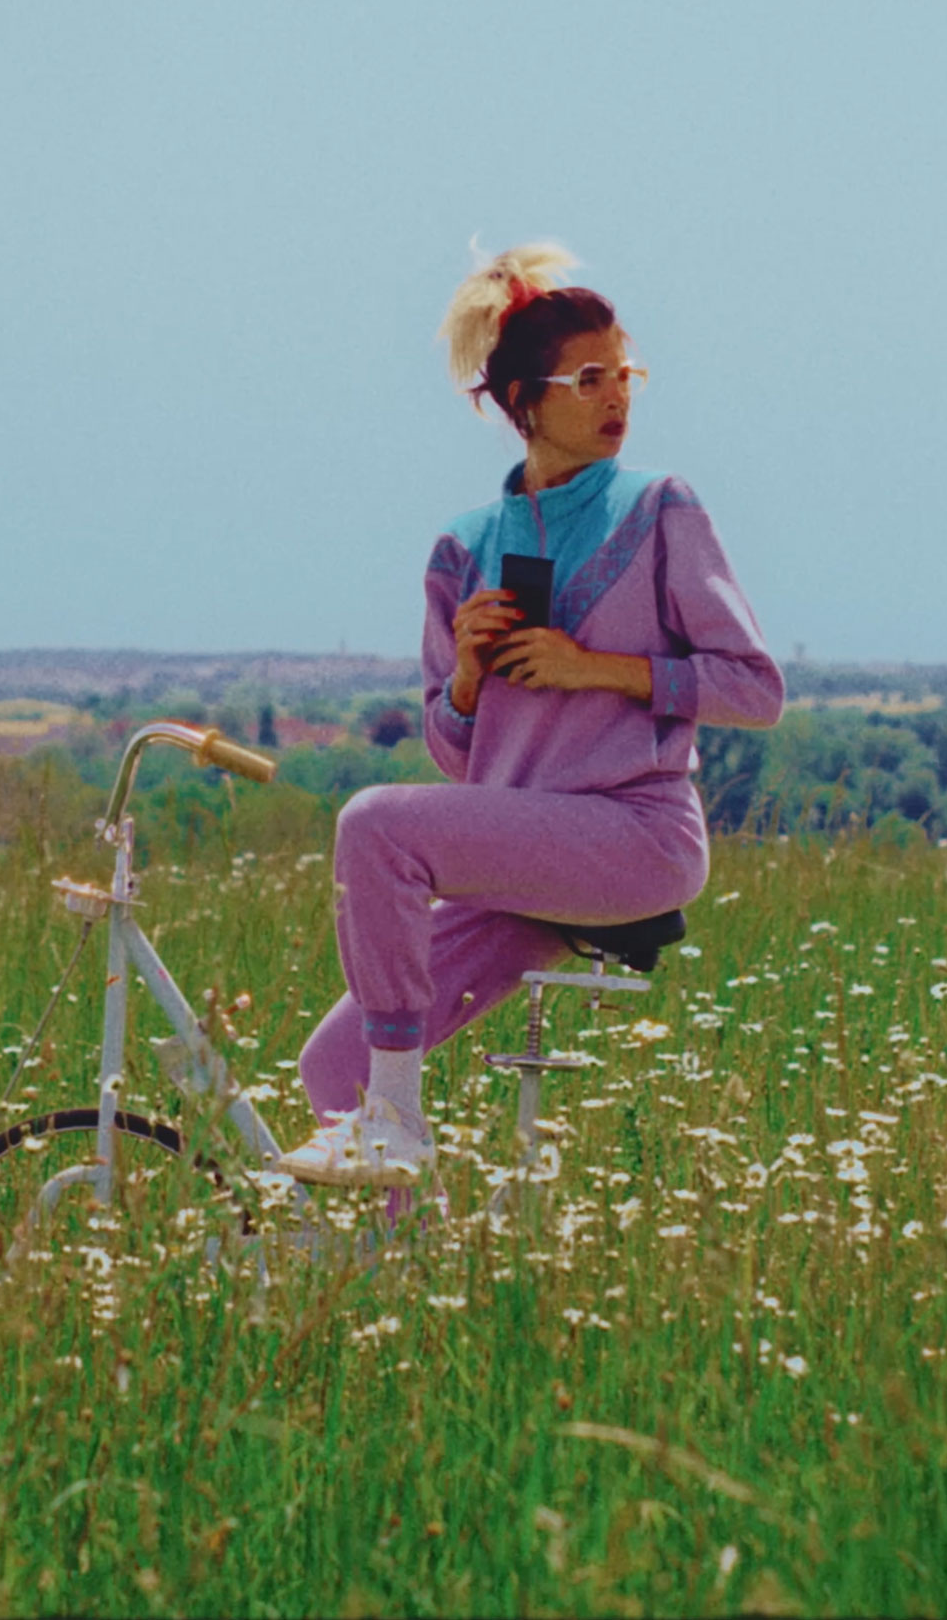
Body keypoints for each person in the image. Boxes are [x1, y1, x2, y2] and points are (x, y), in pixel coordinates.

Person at [274, 244, 786, 1187]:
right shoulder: (461, 549)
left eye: (623, 373)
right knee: (332, 1063)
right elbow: (456, 758)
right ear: (523, 402)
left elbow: (754, 688)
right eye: (587, 379)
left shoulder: (659, 509)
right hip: (520, 857)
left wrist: (597, 669)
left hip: (635, 834)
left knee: (373, 822)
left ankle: (394, 1120)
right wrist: (468, 677)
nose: (616, 396)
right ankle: (404, 1256)